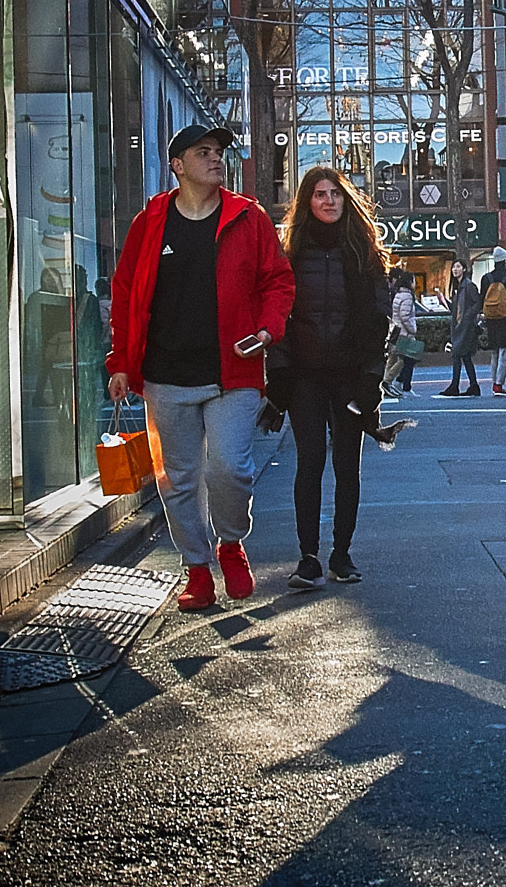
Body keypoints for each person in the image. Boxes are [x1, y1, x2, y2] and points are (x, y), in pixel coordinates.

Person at [107, 125, 294, 612]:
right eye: (203, 152)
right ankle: (196, 569)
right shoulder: (150, 221)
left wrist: (268, 330)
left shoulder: (247, 217)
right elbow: (126, 293)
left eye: (219, 152)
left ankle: (230, 544)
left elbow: (278, 280)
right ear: (178, 165)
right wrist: (122, 363)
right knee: (178, 479)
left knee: (229, 467)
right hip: (165, 375)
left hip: (234, 372)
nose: (215, 159)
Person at [270, 168, 403, 590]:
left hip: (350, 379)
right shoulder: (289, 253)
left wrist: (370, 380)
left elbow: (379, 322)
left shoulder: (364, 253)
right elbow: (279, 319)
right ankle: (308, 558)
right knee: (308, 464)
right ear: (306, 202)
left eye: (335, 194)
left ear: (346, 200)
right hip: (306, 377)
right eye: (319, 194)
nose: (328, 201)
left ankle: (340, 554)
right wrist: (280, 376)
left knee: (348, 468)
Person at [478, 246, 506, 395]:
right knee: (505, 351)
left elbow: (481, 299)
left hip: (491, 319)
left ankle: (494, 382)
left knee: (495, 351)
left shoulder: (486, 278)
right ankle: (499, 384)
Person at [438, 258, 482, 398]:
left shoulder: (468, 286)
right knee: (464, 356)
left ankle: (456, 385)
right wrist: (444, 302)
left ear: (464, 269)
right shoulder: (459, 287)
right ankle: (472, 385)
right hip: (461, 326)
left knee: (458, 354)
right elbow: (456, 309)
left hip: (466, 327)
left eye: (458, 267)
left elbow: (477, 303)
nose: (455, 269)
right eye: (453, 267)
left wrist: (468, 316)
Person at [382, 266, 418, 397]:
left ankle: (385, 381)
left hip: (395, 331)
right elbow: (405, 316)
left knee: (392, 358)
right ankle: (387, 380)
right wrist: (413, 329)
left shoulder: (398, 295)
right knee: (404, 359)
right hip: (404, 333)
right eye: (414, 280)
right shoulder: (407, 297)